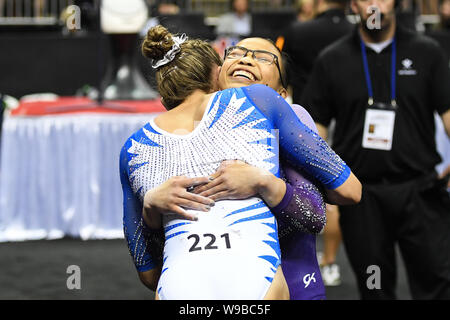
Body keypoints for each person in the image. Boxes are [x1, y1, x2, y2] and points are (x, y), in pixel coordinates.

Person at [120, 25, 361, 299]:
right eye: (236, 53)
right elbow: (157, 262)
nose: (246, 59)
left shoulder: (290, 116)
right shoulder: (174, 141)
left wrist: (263, 183)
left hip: (291, 284)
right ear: (215, 75)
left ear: (282, 93)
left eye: (263, 57)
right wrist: (151, 208)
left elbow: (317, 215)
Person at [301, 0, 450, 299]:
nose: (374, 5)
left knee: (436, 283)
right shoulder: (333, 59)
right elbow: (315, 127)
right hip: (363, 198)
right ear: (354, 4)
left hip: (420, 192)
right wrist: (322, 179)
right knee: (374, 286)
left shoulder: (426, 52)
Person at [280, 0, 352, 286]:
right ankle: (331, 263)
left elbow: (284, 76)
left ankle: (297, 263)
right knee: (334, 191)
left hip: (305, 122)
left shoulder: (298, 31)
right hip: (345, 119)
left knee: (301, 188)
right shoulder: (354, 31)